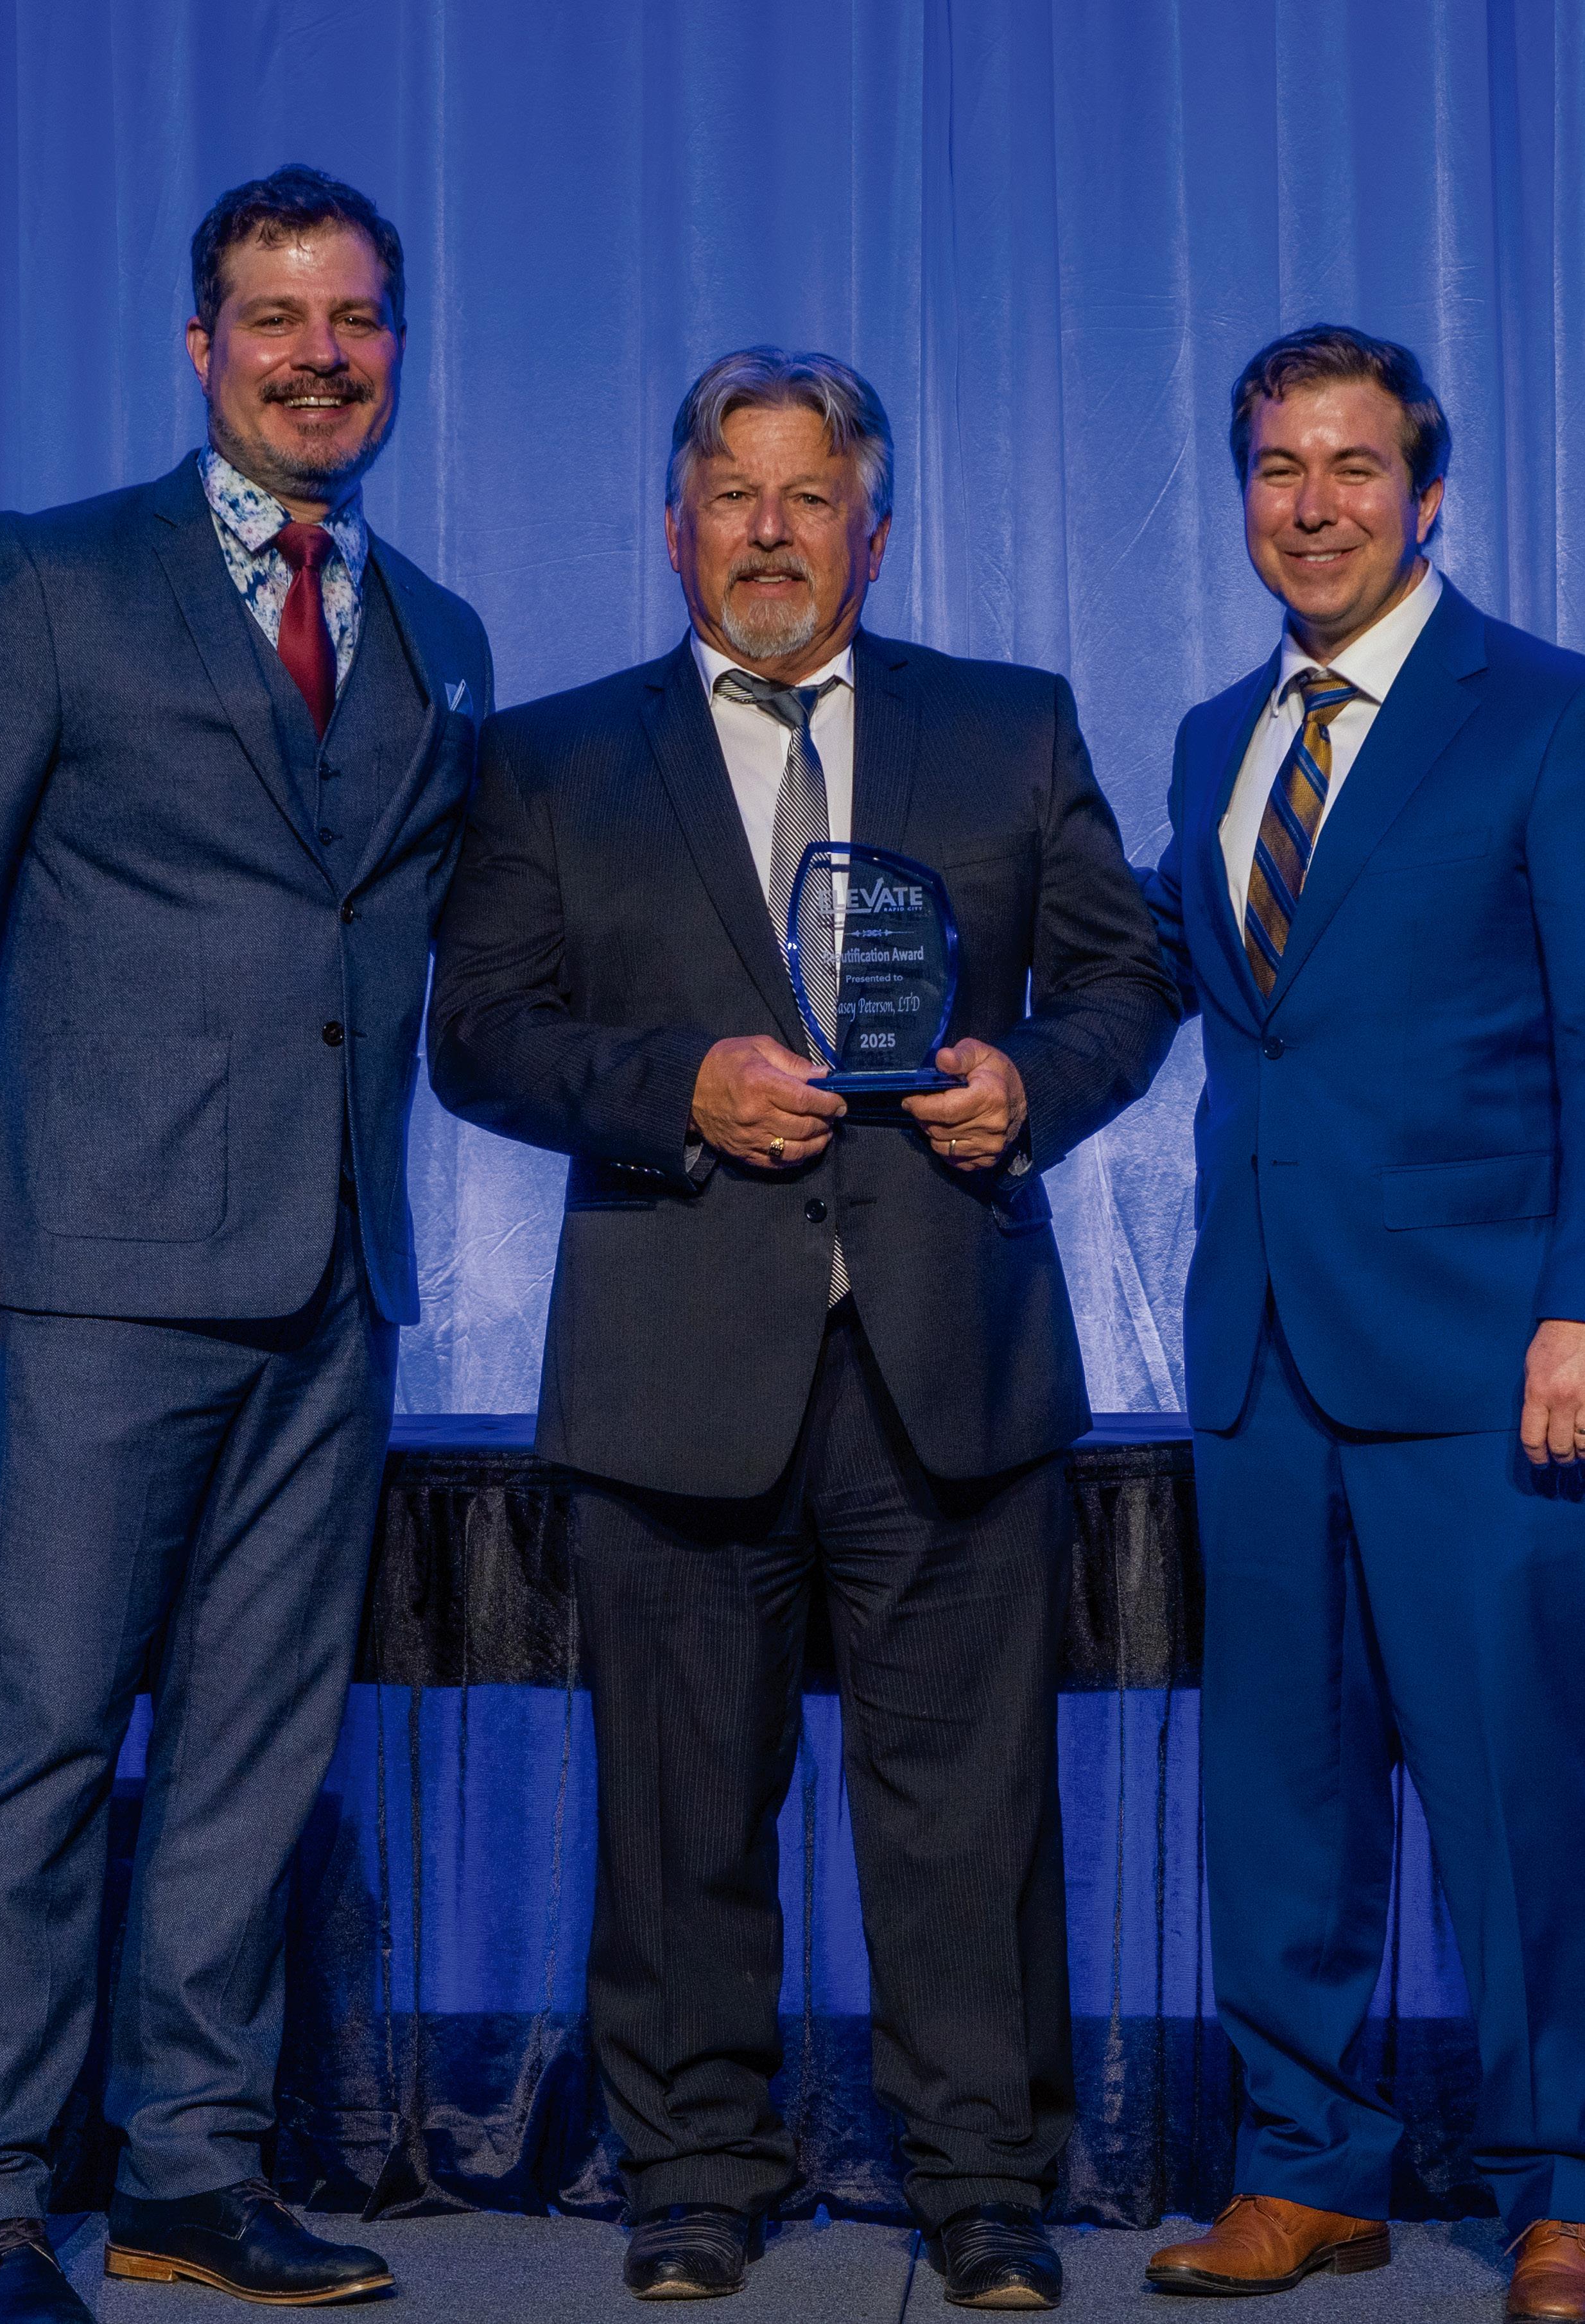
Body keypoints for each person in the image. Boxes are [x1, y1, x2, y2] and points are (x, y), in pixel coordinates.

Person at [428, 345, 1177, 2309]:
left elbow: (1126, 979)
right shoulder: (554, 758)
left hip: (952, 1358)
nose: (770, 534)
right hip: (674, 1360)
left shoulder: (1011, 725)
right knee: (682, 1812)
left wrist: (1033, 1082)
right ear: (676, 528)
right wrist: (675, 1085)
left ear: (875, 531)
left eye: (810, 498)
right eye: (734, 499)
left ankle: (985, 2186)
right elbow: (477, 1036)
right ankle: (692, 2175)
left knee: (968, 1818)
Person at [0, 165, 491, 2321]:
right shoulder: (49, 576)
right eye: (274, 318)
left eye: (354, 321)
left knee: (258, 1755)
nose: (316, 357)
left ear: (394, 351)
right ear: (200, 345)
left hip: (336, 1280)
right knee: (43, 1738)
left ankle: (188, 2172)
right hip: (97, 1263)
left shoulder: (438, 630)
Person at [1138, 326, 1585, 2320]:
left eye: (1353, 467)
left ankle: (1564, 2181)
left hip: (1484, 1353)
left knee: (1517, 1795)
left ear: (1430, 493)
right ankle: (1307, 2167)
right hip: (1259, 1351)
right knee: (1282, 1799)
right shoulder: (1208, 737)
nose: (1311, 506)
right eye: (1276, 468)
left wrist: (1582, 1305)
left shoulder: (1547, 716)